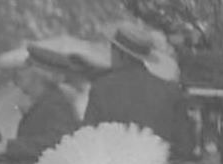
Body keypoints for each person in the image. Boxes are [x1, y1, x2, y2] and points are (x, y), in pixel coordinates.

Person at [83, 24, 195, 157]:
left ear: (121, 54)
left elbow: (87, 139)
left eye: (112, 48)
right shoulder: (171, 91)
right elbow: (185, 146)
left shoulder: (101, 88)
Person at [0, 42, 102, 161]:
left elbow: (58, 142)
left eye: (25, 67)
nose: (17, 73)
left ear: (40, 74)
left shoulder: (55, 105)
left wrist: (9, 147)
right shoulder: (46, 102)